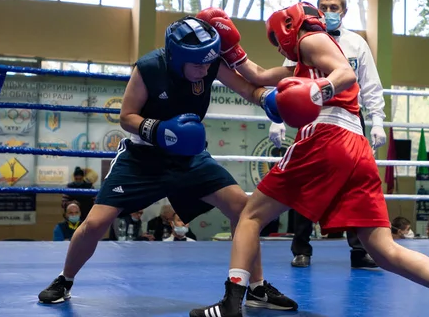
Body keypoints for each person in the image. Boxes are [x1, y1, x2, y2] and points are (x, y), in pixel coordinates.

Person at [190, 2, 429, 317]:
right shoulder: (304, 62)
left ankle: (231, 304)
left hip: (326, 139)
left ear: (290, 26)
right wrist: (221, 50)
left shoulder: (312, 41)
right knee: (383, 249)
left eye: (277, 39)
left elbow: (346, 73)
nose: (279, 46)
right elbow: (257, 75)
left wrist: (318, 91)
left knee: (249, 216)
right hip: (356, 149)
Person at [37, 16, 297, 312]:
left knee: (243, 208)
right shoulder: (149, 69)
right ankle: (64, 280)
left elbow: (248, 89)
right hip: (142, 158)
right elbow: (126, 116)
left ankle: (256, 288)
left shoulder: (209, 61)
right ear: (177, 58)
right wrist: (160, 130)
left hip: (189, 157)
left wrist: (267, 98)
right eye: (197, 64)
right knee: (95, 223)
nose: (204, 69)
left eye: (207, 63)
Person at [268, 0, 386, 269]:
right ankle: (301, 249)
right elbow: (284, 82)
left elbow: (370, 84)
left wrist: (378, 120)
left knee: (354, 185)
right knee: (305, 181)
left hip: (348, 117)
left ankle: (358, 250)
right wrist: (276, 116)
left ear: (344, 12)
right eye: (323, 6)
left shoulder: (357, 43)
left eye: (334, 7)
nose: (328, 11)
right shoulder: (302, 39)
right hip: (311, 114)